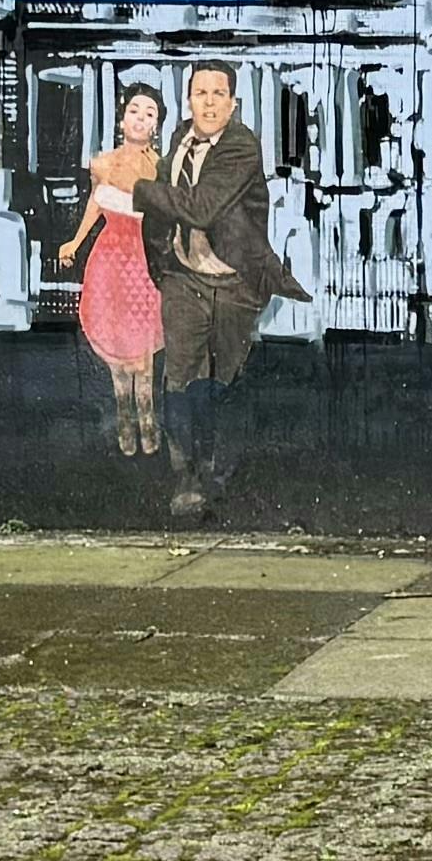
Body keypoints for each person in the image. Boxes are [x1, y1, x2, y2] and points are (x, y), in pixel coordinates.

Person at [143, 56, 300, 520]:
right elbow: (163, 211)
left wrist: (137, 188)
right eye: (200, 93)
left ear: (233, 103)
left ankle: (216, 472)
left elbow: (201, 208)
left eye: (218, 94)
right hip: (184, 278)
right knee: (179, 375)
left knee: (221, 379)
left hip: (233, 284)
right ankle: (186, 475)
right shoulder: (179, 141)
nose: (209, 103)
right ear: (188, 100)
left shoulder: (241, 147)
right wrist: (162, 265)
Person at [63, 85, 171, 456]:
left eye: (149, 113)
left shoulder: (161, 169)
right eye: (135, 111)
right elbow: (95, 205)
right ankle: (124, 415)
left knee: (142, 350)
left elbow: (170, 217)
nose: (140, 119)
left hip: (143, 261)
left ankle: (147, 417)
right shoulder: (102, 164)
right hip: (108, 261)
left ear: (156, 125)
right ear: (122, 119)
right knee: (116, 345)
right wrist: (75, 242)